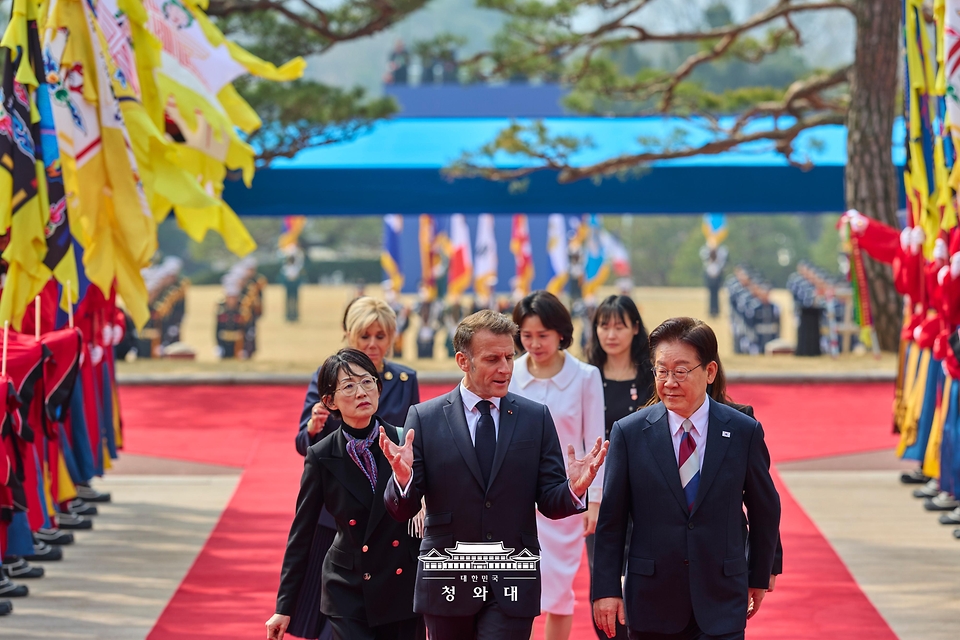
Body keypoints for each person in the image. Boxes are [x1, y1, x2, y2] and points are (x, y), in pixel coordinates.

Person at [379, 310, 609, 640]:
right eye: (492, 359)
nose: (505, 368)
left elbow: (550, 502)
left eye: (509, 357)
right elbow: (402, 509)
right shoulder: (425, 418)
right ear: (463, 361)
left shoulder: (535, 418)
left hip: (512, 580)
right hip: (448, 578)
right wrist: (402, 480)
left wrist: (574, 487)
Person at [593, 317, 780, 640]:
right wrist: (606, 589)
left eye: (680, 371)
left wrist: (759, 574)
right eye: (661, 371)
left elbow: (765, 508)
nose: (669, 382)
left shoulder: (742, 431)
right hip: (652, 600)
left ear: (710, 372)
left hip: (722, 598)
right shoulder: (630, 433)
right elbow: (612, 520)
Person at [267, 349, 421, 640]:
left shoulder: (404, 441)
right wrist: (284, 607)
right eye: (348, 386)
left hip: (401, 583)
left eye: (367, 382)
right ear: (329, 401)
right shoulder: (321, 455)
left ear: (378, 387)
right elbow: (301, 533)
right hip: (348, 587)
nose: (361, 392)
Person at [508, 291, 605, 640]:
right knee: (516, 588)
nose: (534, 344)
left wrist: (594, 500)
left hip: (564, 499)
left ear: (561, 332)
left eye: (543, 335)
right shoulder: (510, 373)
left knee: (560, 592)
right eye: (526, 335)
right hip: (514, 498)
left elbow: (595, 442)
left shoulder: (585, 376)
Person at [584, 294, 655, 640]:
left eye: (619, 326)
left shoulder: (652, 377)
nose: (610, 334)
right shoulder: (586, 377)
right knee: (604, 572)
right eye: (604, 326)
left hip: (647, 489)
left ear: (635, 328)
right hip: (601, 492)